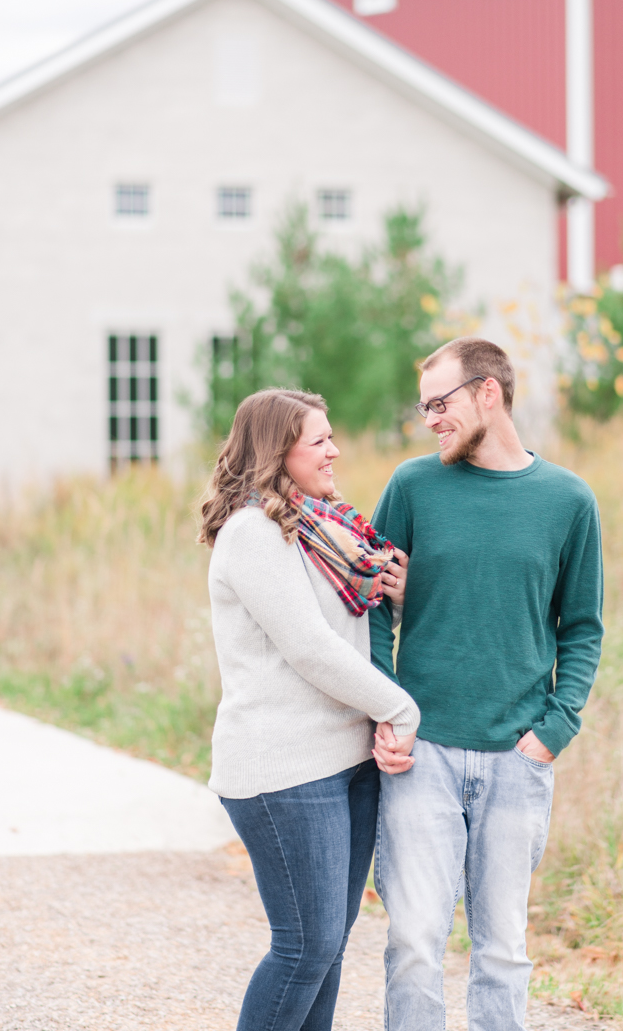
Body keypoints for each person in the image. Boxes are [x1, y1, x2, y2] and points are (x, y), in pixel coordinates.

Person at [368, 336, 604, 1031]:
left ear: (488, 393)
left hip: (517, 756)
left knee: (502, 952)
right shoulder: (411, 487)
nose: (431, 418)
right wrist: (386, 711)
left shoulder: (568, 501)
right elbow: (376, 608)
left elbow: (582, 626)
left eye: (441, 403)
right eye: (425, 407)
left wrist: (553, 731)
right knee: (413, 944)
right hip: (423, 754)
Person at [199, 388, 420, 1031]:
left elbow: (349, 630)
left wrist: (397, 602)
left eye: (331, 436)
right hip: (283, 770)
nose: (335, 451)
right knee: (305, 947)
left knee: (326, 950)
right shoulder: (251, 534)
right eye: (319, 440)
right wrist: (399, 709)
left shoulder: (318, 530)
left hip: (343, 759)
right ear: (279, 450)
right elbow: (309, 647)